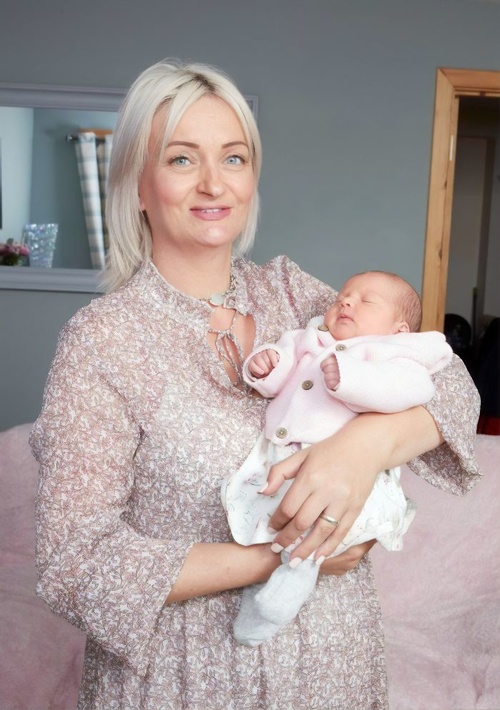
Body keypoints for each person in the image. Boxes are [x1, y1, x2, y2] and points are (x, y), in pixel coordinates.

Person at [30, 59, 481, 710]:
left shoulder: (292, 293)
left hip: (333, 670)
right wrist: (282, 555)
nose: (214, 183)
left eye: (233, 157)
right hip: (185, 682)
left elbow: (451, 383)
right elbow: (73, 564)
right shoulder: (104, 341)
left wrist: (363, 449)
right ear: (137, 185)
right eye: (182, 159)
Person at [223, 270, 453, 646]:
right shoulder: (310, 338)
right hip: (285, 455)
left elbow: (411, 390)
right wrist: (267, 365)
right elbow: (281, 373)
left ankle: (291, 584)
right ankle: (264, 585)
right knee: (263, 514)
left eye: (366, 300)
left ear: (398, 328)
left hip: (345, 474)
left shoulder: (396, 353)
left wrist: (351, 378)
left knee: (316, 525)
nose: (346, 301)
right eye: (342, 297)